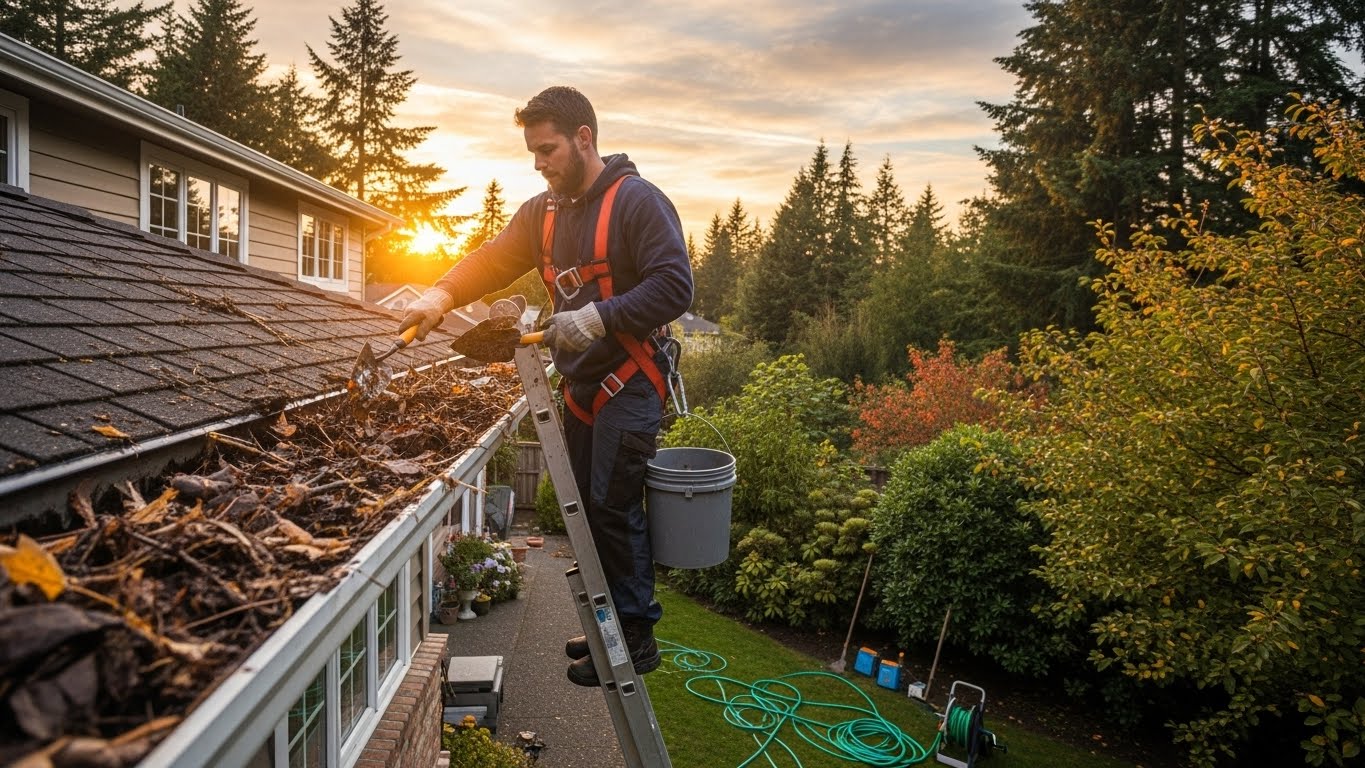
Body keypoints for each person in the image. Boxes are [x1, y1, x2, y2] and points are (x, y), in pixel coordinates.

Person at [398, 86, 693, 687]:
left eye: (548, 149)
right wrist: (441, 294)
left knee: (613, 504)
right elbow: (490, 258)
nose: (539, 163)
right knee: (586, 510)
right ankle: (610, 623)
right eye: (533, 152)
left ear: (584, 139)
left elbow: (675, 287)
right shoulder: (544, 213)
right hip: (583, 387)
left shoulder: (638, 203)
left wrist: (597, 318)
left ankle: (635, 637)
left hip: (632, 380)